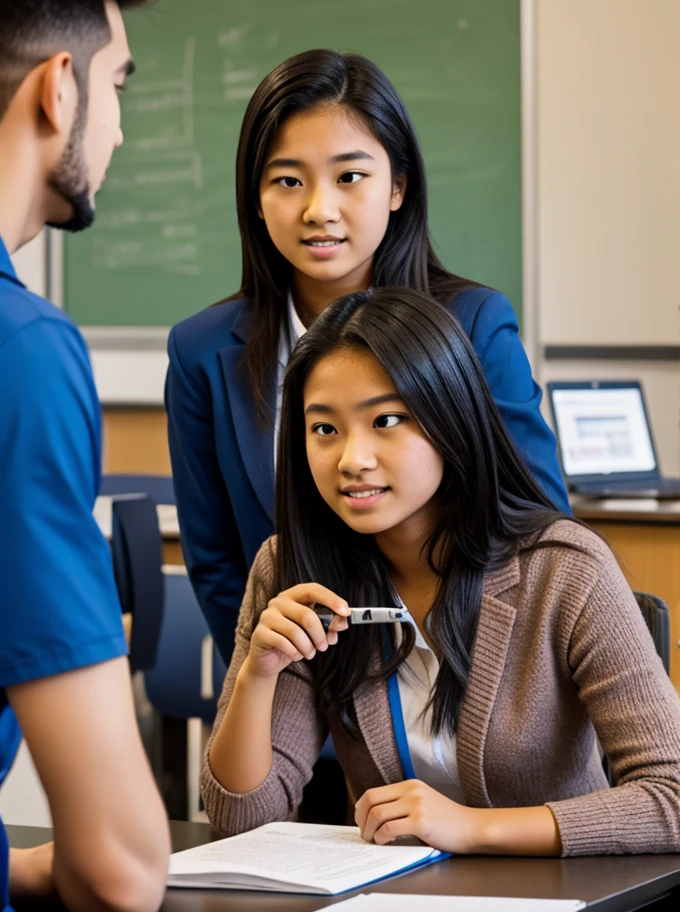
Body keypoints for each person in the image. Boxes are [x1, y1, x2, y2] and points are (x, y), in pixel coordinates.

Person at [200, 288, 680, 856]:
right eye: (324, 429)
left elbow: (670, 797)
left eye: (386, 420)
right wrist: (260, 672)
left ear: (450, 419)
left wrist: (471, 830)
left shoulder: (565, 570)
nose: (352, 459)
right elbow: (239, 819)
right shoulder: (290, 570)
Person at [166, 49, 570, 668]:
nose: (318, 209)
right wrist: (289, 710)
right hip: (305, 715)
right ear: (254, 196)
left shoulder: (474, 325)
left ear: (398, 186)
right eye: (288, 180)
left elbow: (539, 534)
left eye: (349, 177)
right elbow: (219, 567)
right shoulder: (201, 351)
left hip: (470, 710)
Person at [0, 0, 170, 912]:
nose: (116, 122)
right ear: (57, 89)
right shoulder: (23, 353)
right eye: (116, 84)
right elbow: (120, 870)